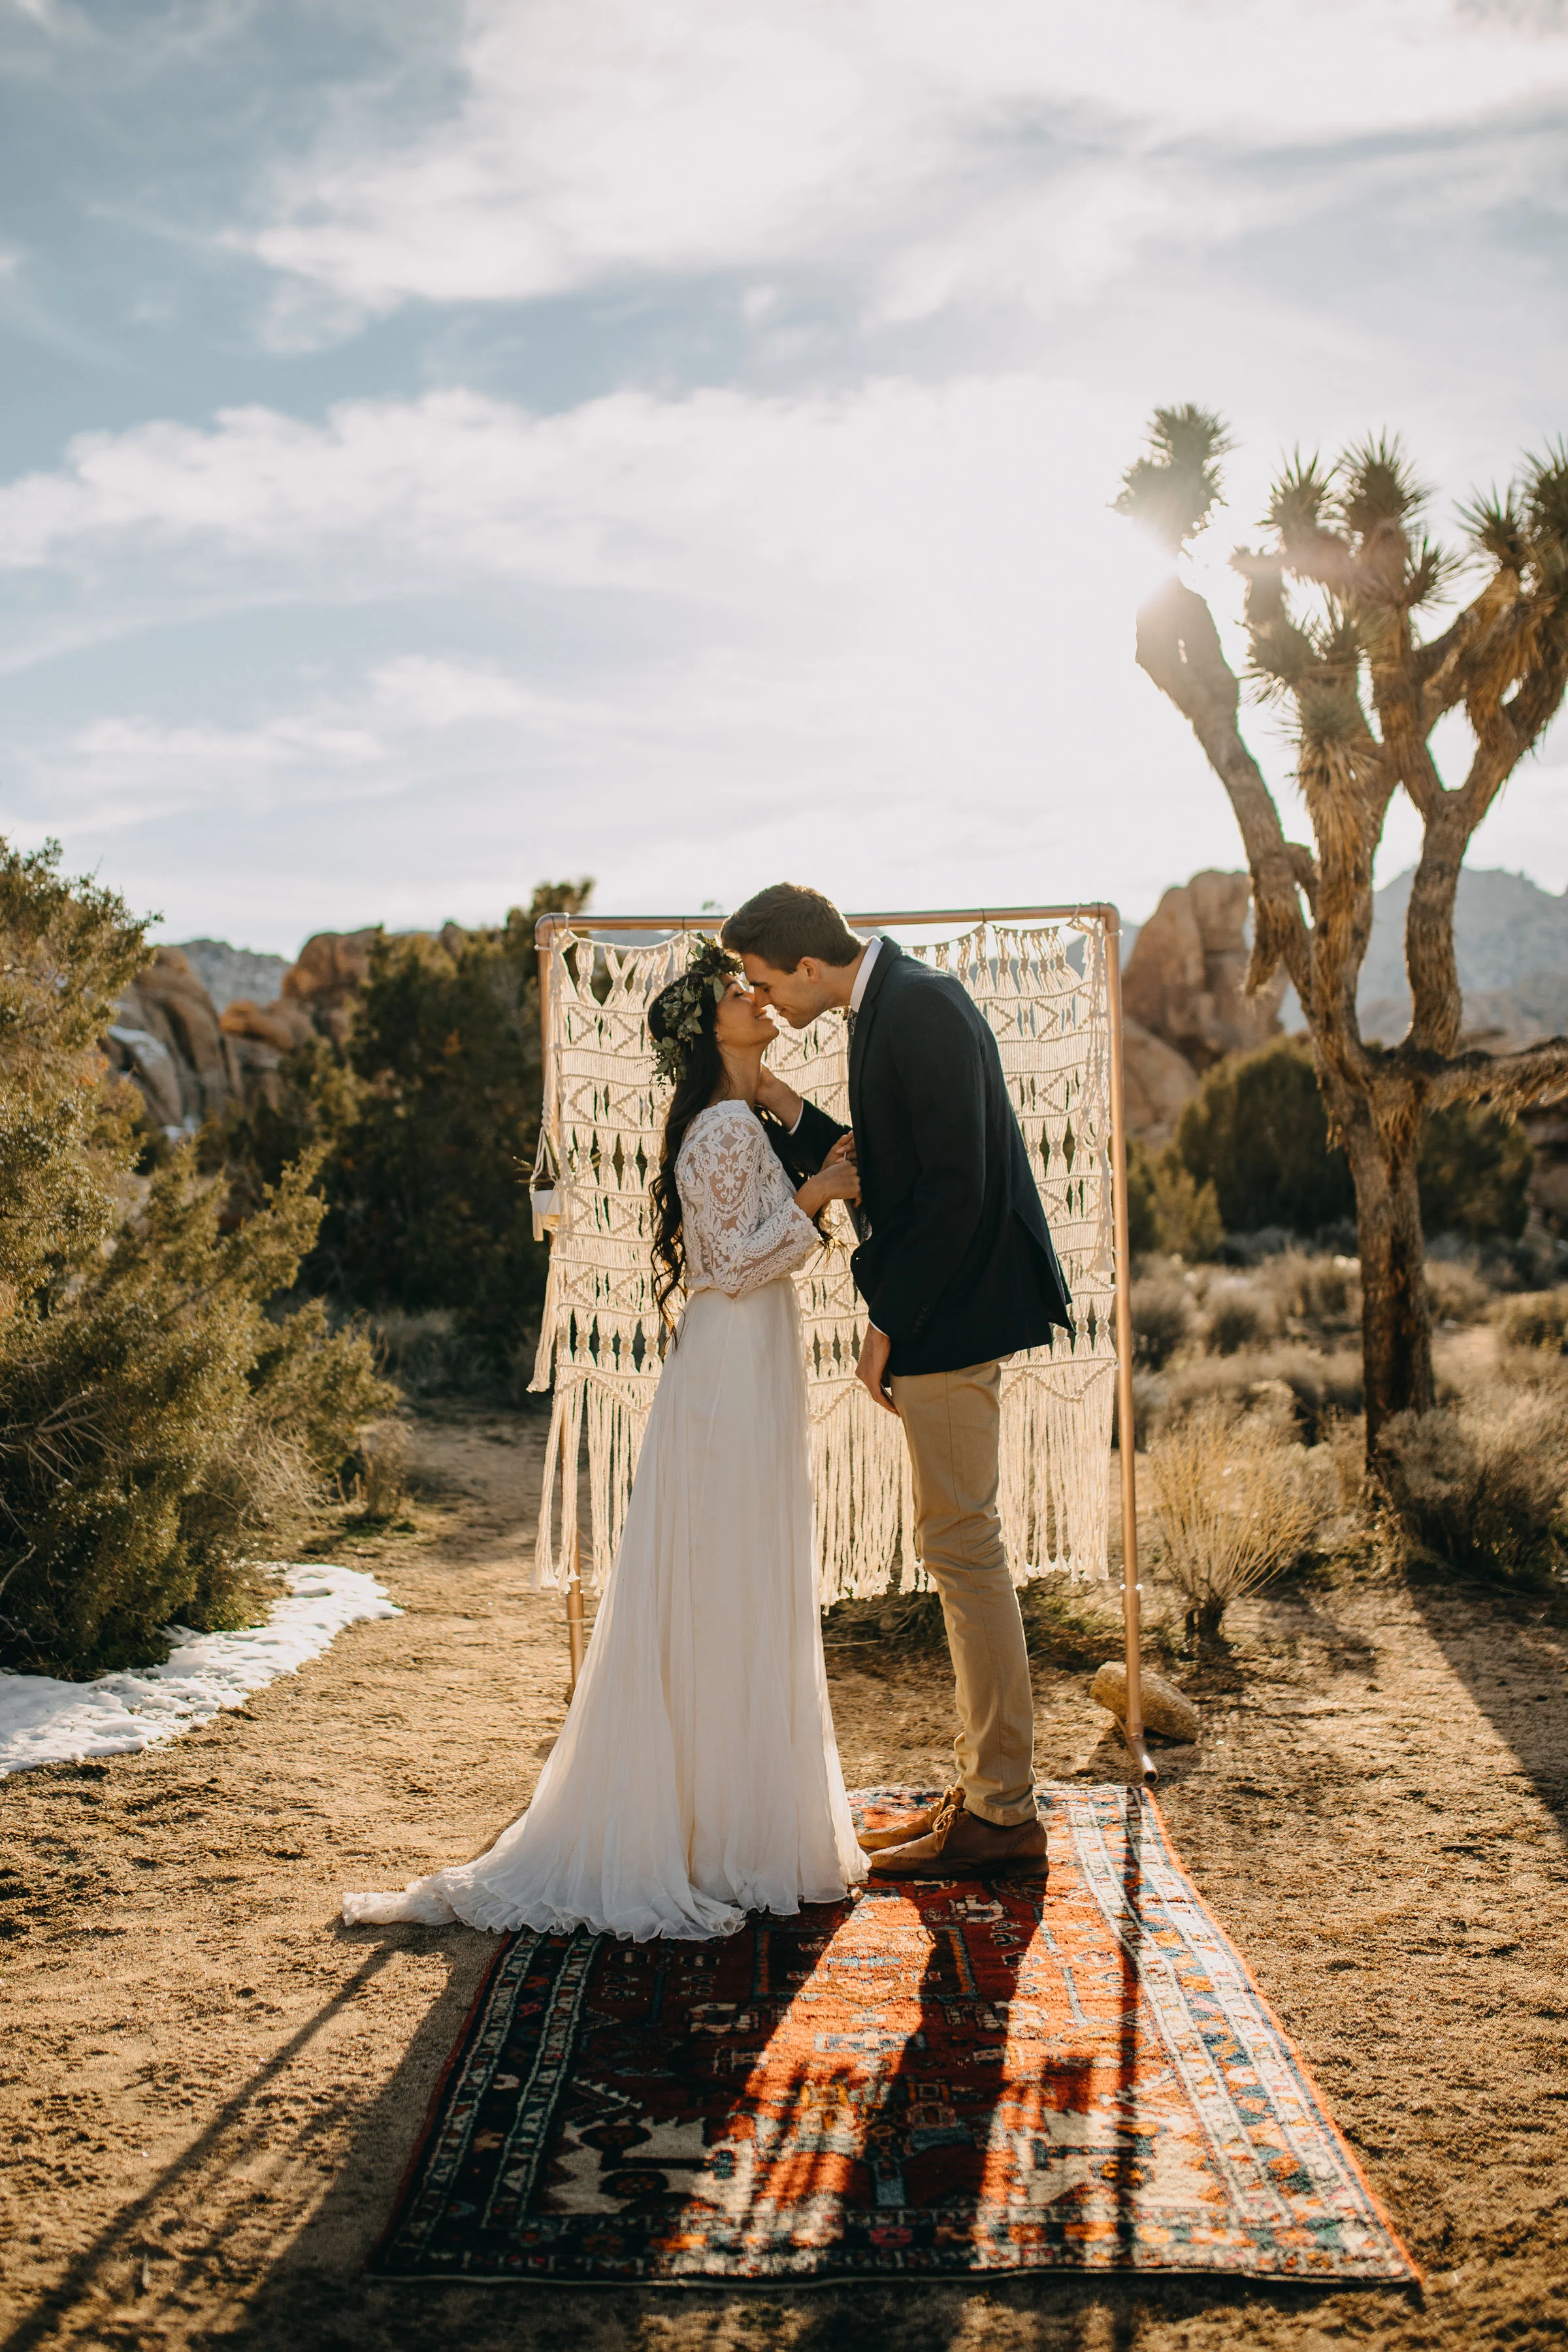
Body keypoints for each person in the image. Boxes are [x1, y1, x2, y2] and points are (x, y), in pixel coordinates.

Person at [342, 938, 866, 1940]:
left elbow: (754, 1240)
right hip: (725, 1372)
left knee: (740, 1582)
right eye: (737, 995)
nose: (757, 1000)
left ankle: (735, 1826)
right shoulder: (718, 1128)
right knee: (718, 1582)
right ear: (707, 1029)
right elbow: (723, 1263)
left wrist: (811, 1159)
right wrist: (817, 1197)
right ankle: (718, 1837)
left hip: (747, 1362)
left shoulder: (745, 1115)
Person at [722, 883, 1073, 1884]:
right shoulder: (888, 1004)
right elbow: (883, 1167)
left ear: (805, 966)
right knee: (959, 1545)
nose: (766, 1002)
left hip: (954, 1313)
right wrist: (787, 1107)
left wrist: (884, 1326)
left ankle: (1003, 1810)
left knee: (965, 1548)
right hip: (945, 1309)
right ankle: (986, 1789)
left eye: (763, 983)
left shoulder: (917, 1006)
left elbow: (956, 1191)